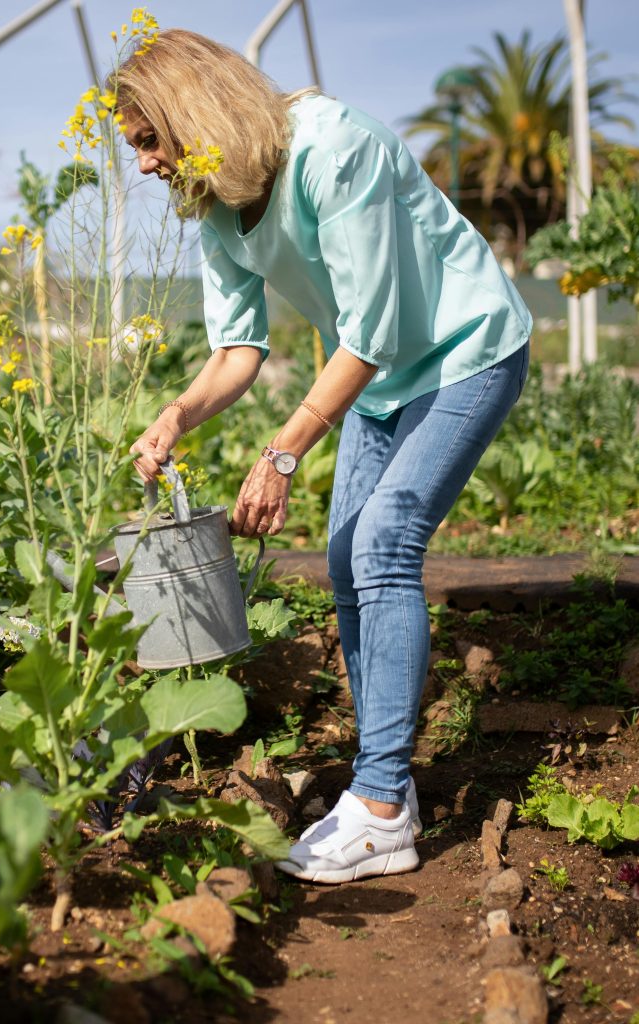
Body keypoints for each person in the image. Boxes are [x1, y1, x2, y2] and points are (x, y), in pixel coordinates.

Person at [118, 29, 531, 885]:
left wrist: (282, 453)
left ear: (189, 113)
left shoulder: (332, 148)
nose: (147, 165)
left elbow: (373, 330)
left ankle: (380, 805)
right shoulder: (215, 199)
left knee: (383, 546)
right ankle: (388, 789)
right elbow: (237, 347)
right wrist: (176, 414)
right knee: (347, 559)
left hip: (463, 350)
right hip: (377, 382)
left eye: (149, 141)